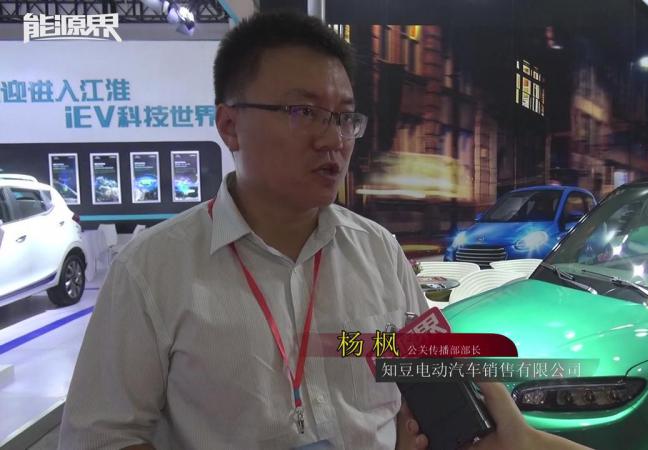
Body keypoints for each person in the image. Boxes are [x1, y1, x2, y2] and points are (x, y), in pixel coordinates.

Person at [59, 11, 429, 450]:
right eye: (303, 111)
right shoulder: (150, 270)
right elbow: (100, 437)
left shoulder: (379, 250)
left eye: (344, 118)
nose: (334, 140)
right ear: (229, 126)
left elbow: (430, 375)